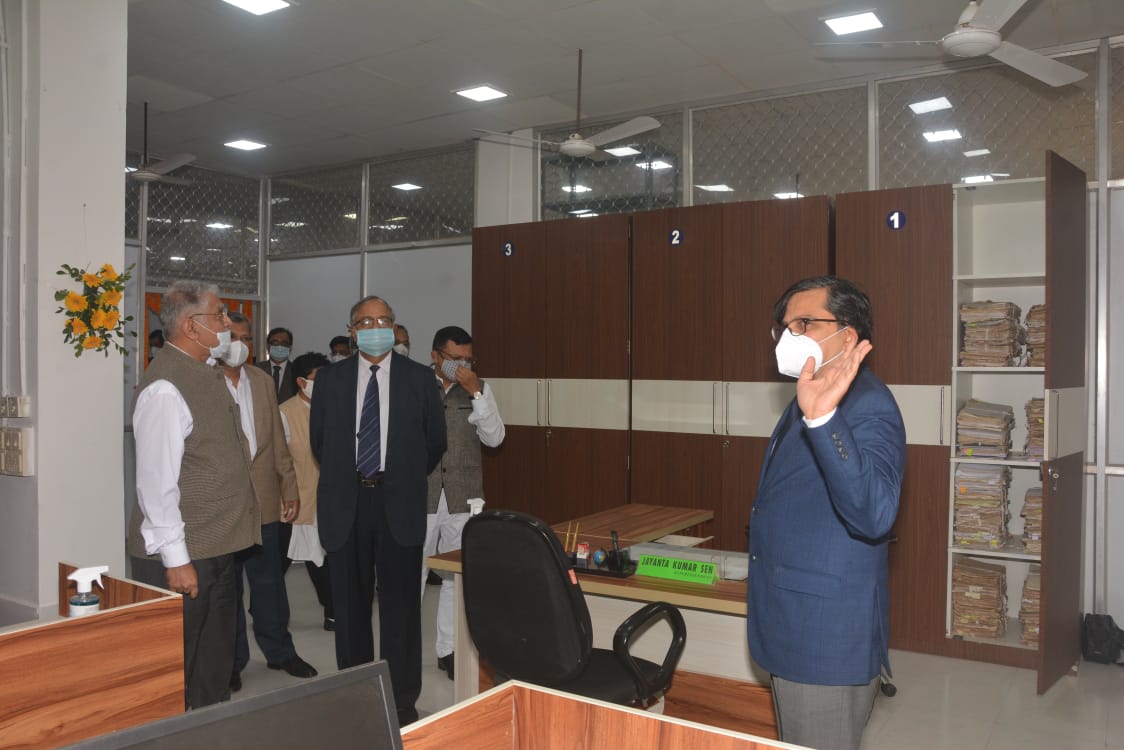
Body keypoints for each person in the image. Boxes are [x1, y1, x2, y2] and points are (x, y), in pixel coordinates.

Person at [747, 275, 906, 750]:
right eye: (784, 328)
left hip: (825, 634)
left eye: (804, 324)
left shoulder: (868, 404)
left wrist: (823, 419)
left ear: (848, 336)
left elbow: (875, 514)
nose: (789, 336)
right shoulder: (809, 392)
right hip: (790, 620)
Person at [309, 295, 446, 726]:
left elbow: (434, 442)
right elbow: (320, 443)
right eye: (365, 322)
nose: (375, 327)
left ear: (394, 326)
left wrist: (400, 475)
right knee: (350, 610)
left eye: (383, 320)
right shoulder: (330, 380)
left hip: (398, 502)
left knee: (401, 609)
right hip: (346, 502)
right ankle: (355, 694)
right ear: (352, 330)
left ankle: (401, 699)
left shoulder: (419, 378)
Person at [127, 280, 260, 709]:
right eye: (219, 315)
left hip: (216, 545)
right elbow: (156, 482)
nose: (226, 323)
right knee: (175, 668)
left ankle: (208, 726)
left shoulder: (204, 372)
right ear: (191, 326)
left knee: (213, 659)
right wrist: (177, 560)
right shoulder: (165, 388)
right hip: (185, 555)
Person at [222, 313, 317, 692]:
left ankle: (280, 651)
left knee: (270, 585)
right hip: (224, 504)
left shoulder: (261, 381)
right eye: (232, 336)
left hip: (264, 499)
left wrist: (289, 488)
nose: (240, 344)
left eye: (246, 338)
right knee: (228, 589)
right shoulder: (204, 381)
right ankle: (232, 661)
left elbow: (278, 441)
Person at [423, 326, 505, 680]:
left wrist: (476, 394)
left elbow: (495, 438)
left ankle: (449, 650)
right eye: (455, 359)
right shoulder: (414, 385)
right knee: (412, 575)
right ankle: (404, 652)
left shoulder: (480, 388)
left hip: (464, 497)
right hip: (420, 496)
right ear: (435, 356)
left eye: (468, 359)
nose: (463, 366)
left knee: (456, 577)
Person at [278, 351, 335, 633]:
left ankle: (333, 612)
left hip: (329, 499)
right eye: (319, 378)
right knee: (281, 561)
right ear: (302, 382)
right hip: (294, 500)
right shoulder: (285, 412)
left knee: (323, 559)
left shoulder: (336, 408)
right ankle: (264, 610)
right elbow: (279, 461)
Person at [256, 326, 297, 401]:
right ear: (268, 346)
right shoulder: (256, 369)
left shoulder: (297, 371)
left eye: (284, 343)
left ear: (290, 348)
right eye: (275, 343)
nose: (279, 346)